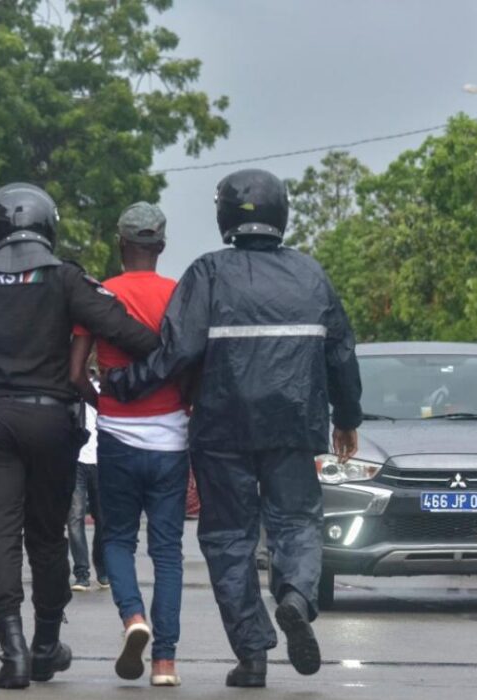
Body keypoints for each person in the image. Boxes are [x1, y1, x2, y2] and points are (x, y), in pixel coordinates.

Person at [104, 169, 363, 688]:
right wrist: (348, 419)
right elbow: (341, 353)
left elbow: (176, 353)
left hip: (222, 429)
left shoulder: (207, 274)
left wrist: (123, 384)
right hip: (294, 424)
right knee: (296, 523)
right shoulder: (312, 275)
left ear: (225, 217)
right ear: (281, 214)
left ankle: (252, 656)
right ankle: (295, 597)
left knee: (228, 539)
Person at [0, 183, 159, 690]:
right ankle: (46, 643)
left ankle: (13, 652)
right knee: (48, 536)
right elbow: (121, 330)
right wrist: (168, 357)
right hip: (52, 422)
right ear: (48, 227)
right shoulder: (66, 279)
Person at [71, 202, 188, 687]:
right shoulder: (181, 295)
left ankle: (133, 617)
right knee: (167, 551)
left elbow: (75, 373)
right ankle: (164, 663)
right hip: (172, 440)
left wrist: (104, 406)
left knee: (117, 538)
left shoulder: (101, 296)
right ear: (160, 246)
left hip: (117, 437)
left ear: (122, 245)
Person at [67, 375, 105, 593]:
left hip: (101, 460)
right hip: (76, 459)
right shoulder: (72, 388)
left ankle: (102, 568)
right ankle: (81, 573)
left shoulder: (105, 387)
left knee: (103, 518)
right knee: (74, 517)